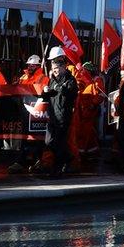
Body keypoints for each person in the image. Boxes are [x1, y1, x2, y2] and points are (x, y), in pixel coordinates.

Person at [36, 47, 78, 177]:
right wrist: (46, 91)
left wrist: (58, 87)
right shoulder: (52, 80)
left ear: (63, 67)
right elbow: (46, 96)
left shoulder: (70, 80)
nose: (55, 71)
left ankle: (57, 168)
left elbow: (69, 92)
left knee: (59, 143)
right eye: (53, 68)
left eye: (57, 68)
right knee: (49, 142)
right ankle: (67, 159)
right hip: (52, 116)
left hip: (63, 116)